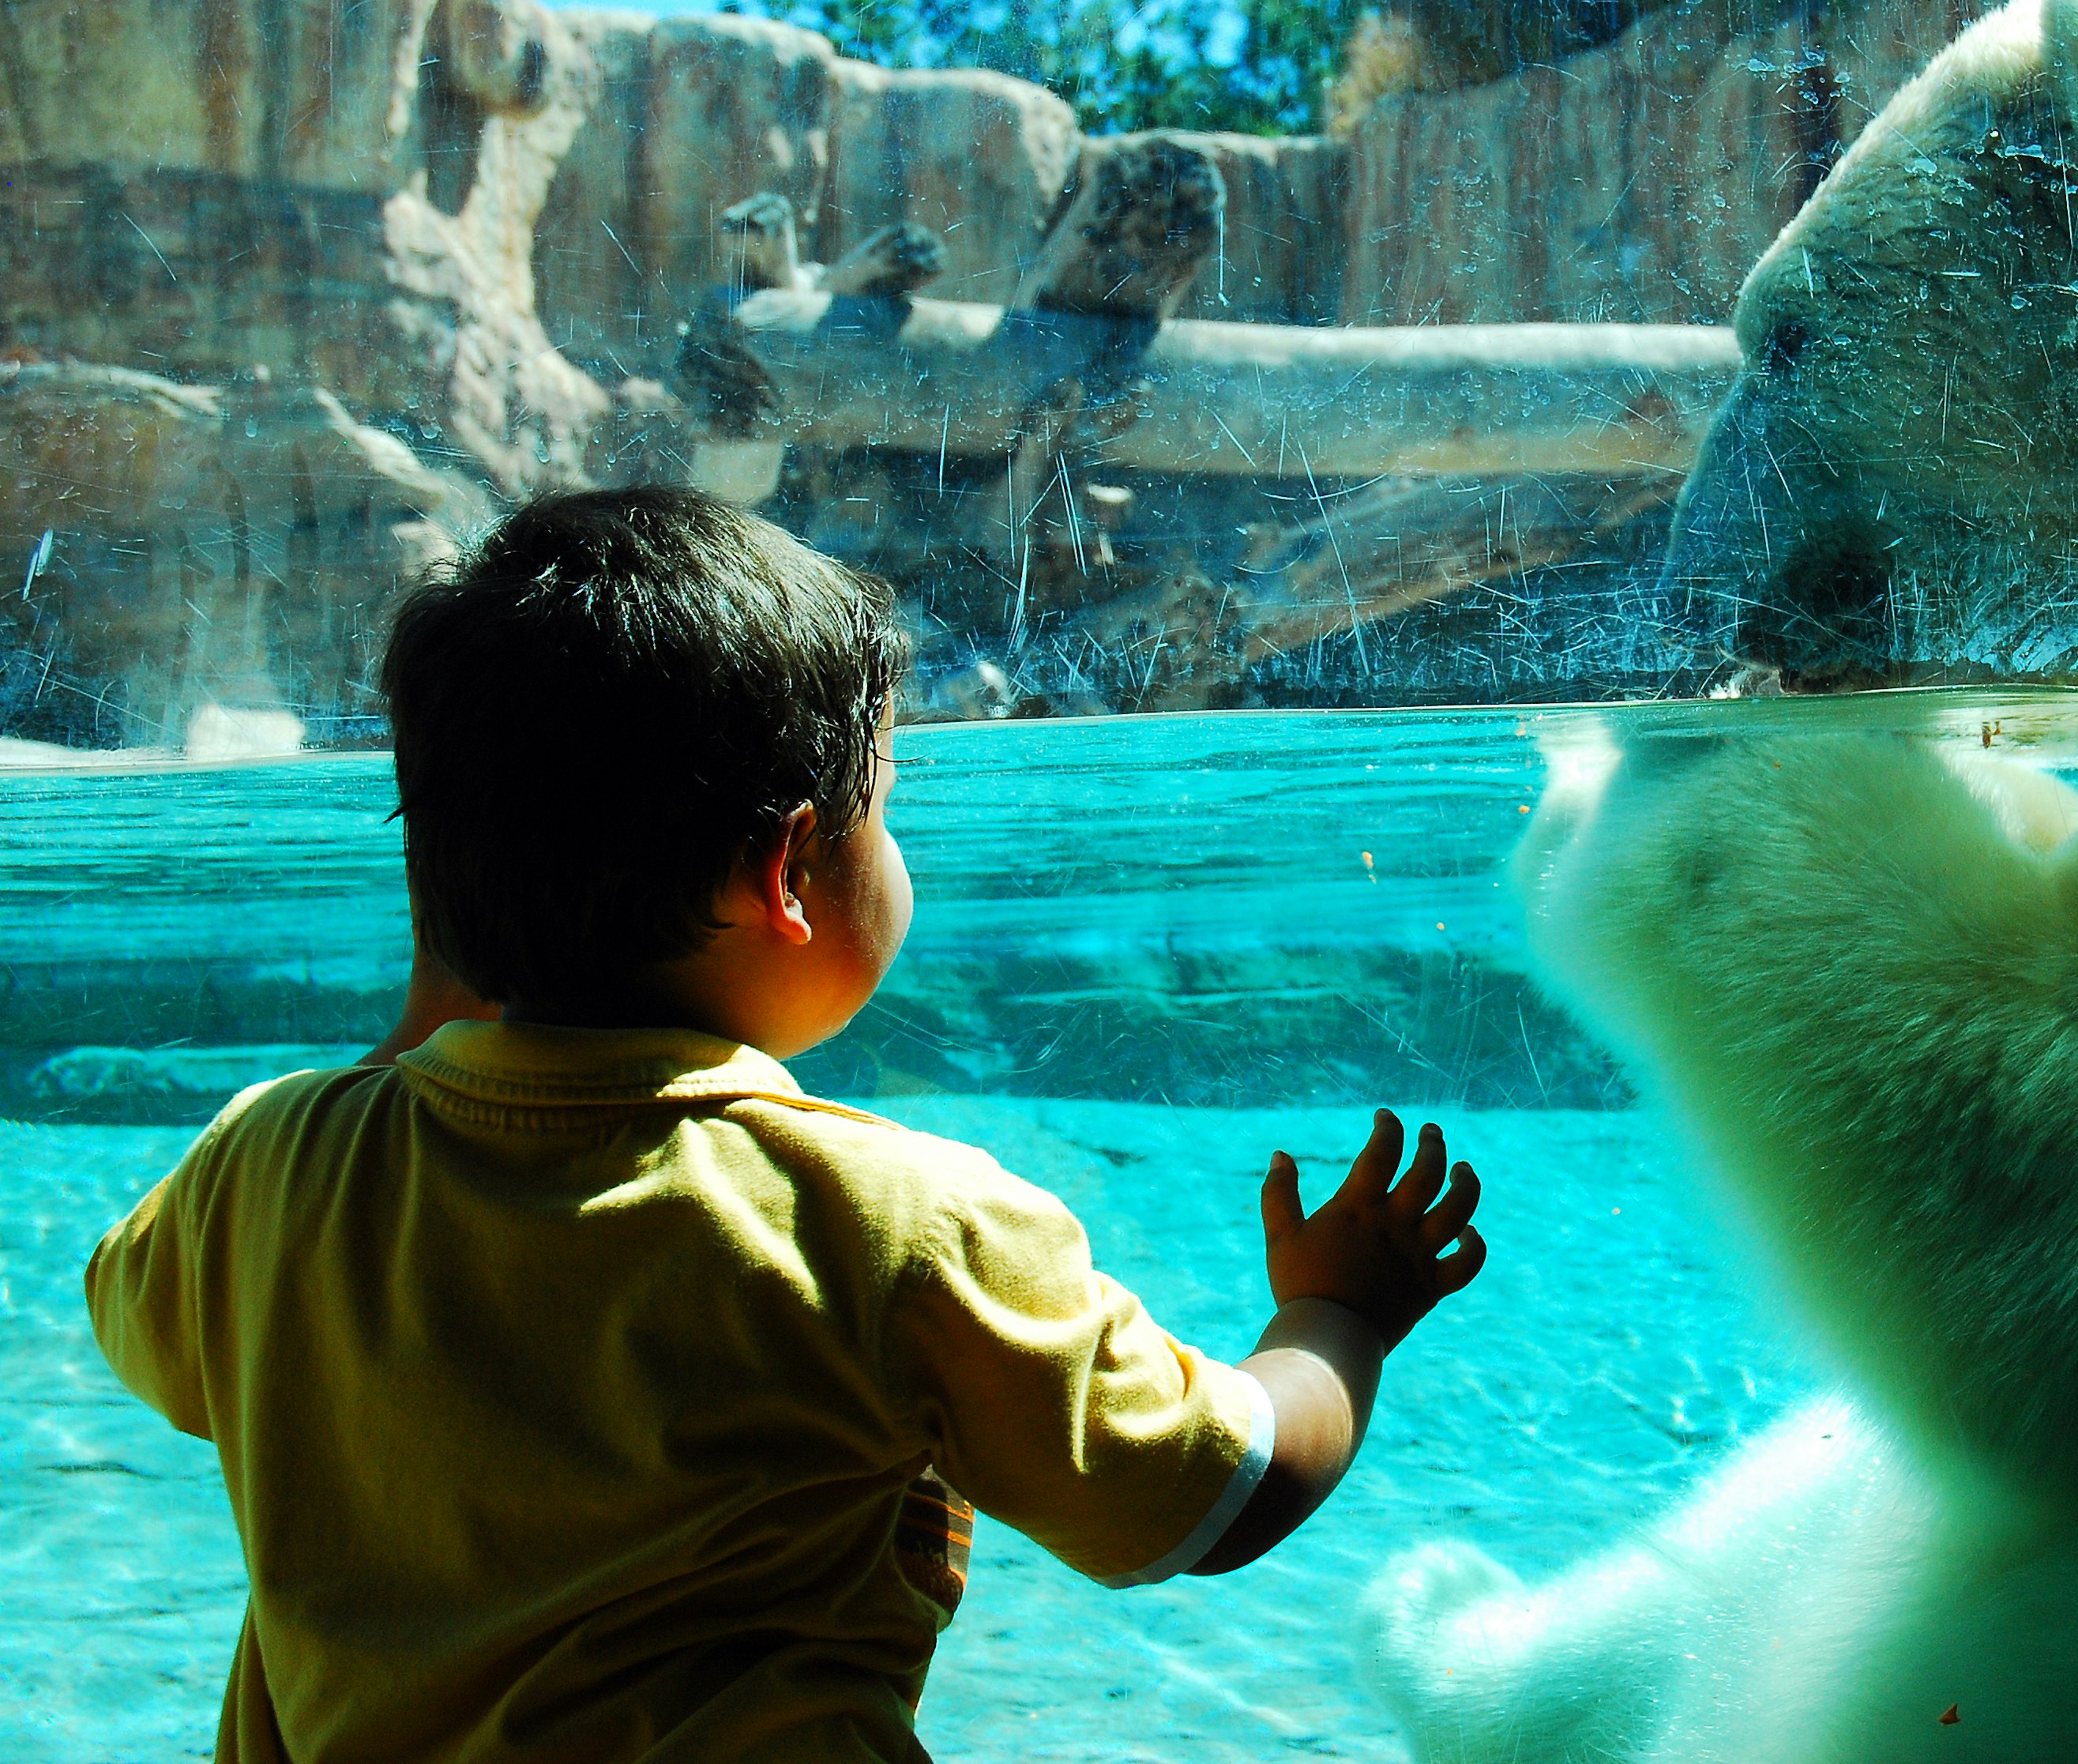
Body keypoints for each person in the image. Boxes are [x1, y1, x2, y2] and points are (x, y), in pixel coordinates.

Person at [85, 487, 1486, 1762]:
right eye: (888, 806)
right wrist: (1336, 1320)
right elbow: (1210, 1495)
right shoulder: (895, 1225)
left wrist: (444, 981)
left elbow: (139, 1319)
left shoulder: (266, 1173)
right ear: (788, 875)